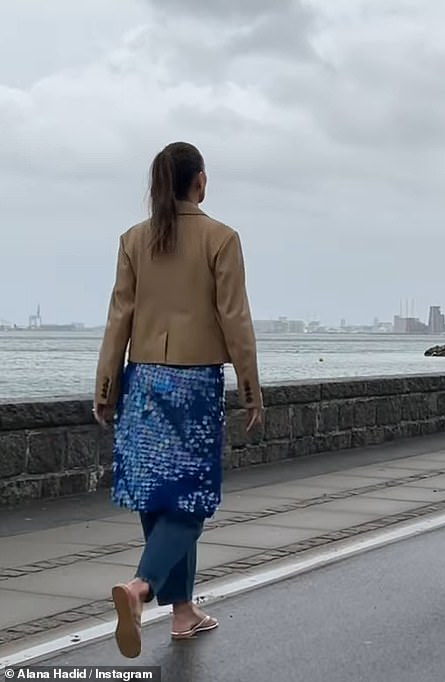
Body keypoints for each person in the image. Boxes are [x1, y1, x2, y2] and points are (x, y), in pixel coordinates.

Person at [93, 141, 263, 658]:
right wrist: (251, 389)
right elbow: (234, 318)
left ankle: (183, 612)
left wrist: (105, 386)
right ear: (201, 181)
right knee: (192, 500)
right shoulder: (221, 237)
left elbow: (118, 316)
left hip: (141, 380)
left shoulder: (133, 239)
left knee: (158, 496)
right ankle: (141, 587)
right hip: (192, 385)